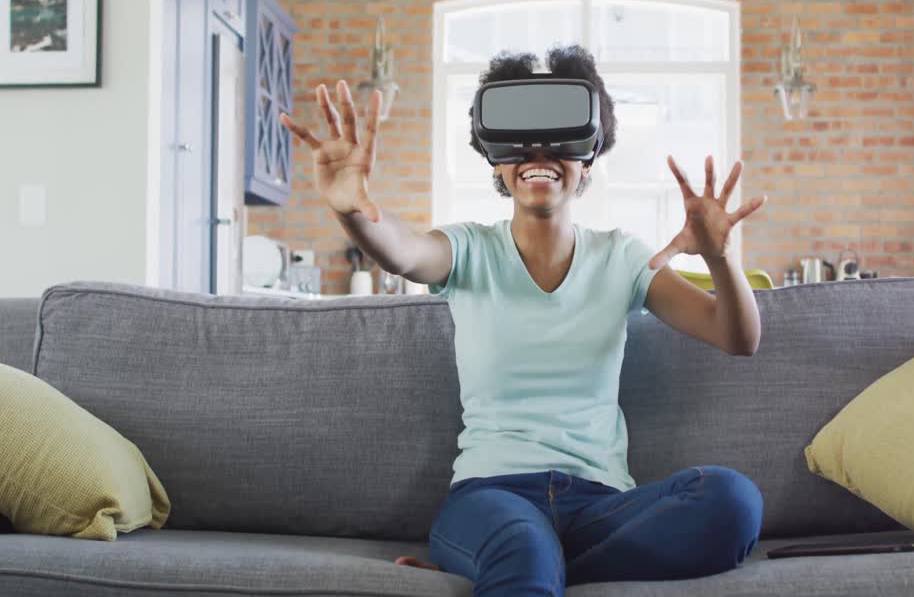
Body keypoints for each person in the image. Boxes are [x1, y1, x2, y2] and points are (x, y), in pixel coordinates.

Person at [281, 45, 766, 596]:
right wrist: (352, 208)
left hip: (600, 504)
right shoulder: (468, 250)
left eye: (559, 139)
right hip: (492, 498)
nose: (538, 152)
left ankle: (518, 567)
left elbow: (738, 336)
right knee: (524, 544)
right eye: (519, 142)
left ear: (589, 155)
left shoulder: (623, 258)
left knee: (731, 500)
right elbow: (404, 251)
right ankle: (518, 559)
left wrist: (720, 257)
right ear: (495, 159)